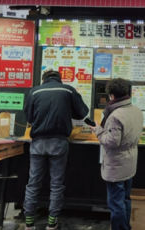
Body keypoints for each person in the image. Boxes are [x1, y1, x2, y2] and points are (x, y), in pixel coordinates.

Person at [23, 70, 89, 230]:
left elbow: (29, 118)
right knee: (56, 184)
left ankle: (29, 222)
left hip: (38, 143)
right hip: (59, 142)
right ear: (59, 79)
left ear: (44, 79)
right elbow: (82, 113)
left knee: (33, 183)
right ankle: (52, 223)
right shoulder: (68, 90)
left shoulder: (34, 91)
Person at [90, 78, 143, 230]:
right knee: (125, 199)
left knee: (116, 204)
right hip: (130, 161)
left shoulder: (115, 116)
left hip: (116, 165)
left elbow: (112, 142)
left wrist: (98, 131)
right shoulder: (135, 110)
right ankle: (126, 227)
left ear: (112, 96)